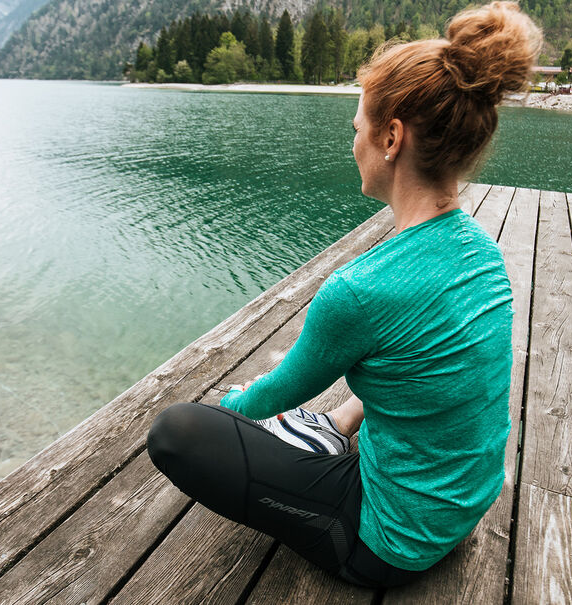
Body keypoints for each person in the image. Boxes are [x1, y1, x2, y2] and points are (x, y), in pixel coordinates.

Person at [146, 1, 541, 589]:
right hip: (464, 502)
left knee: (173, 433)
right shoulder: (481, 253)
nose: (351, 139)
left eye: (356, 127)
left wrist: (221, 418)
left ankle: (324, 445)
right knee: (403, 369)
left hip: (391, 541)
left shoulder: (358, 290)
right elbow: (431, 385)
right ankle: (331, 428)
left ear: (391, 138)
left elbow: (275, 394)